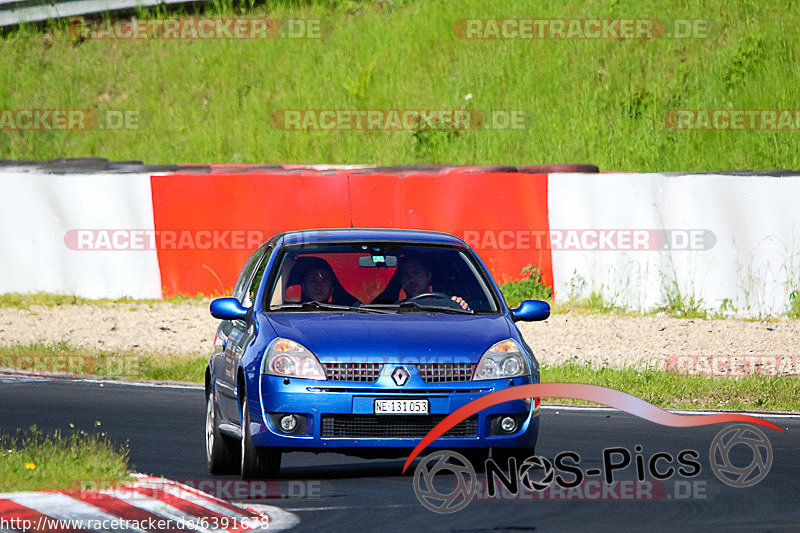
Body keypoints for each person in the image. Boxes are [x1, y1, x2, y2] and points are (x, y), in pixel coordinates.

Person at [397, 258, 469, 310]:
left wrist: (459, 305)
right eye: (406, 274)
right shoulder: (394, 309)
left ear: (429, 276)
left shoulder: (449, 306)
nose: (411, 279)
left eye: (417, 273)